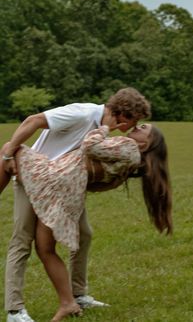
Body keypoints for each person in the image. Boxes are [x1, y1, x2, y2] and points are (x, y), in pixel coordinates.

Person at [1, 87, 151, 322]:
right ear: (123, 113)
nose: (132, 128)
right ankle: (15, 311)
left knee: (84, 235)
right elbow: (34, 120)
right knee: (22, 240)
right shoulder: (82, 113)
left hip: (62, 188)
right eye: (134, 121)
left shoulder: (104, 130)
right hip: (34, 178)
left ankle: (78, 295)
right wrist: (10, 153)